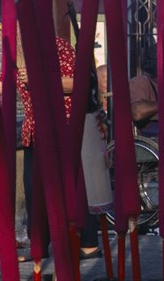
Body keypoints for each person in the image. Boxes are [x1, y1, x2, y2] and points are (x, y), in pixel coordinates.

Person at [17, 36, 101, 261]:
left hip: (60, 126)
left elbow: (78, 81)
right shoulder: (16, 51)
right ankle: (39, 245)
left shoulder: (56, 44)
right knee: (33, 188)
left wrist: (39, 77)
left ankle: (88, 243)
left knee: (71, 185)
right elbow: (2, 83)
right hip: (33, 130)